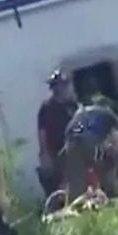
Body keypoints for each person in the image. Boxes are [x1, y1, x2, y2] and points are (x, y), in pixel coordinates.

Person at [63, 100, 118, 204]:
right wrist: (114, 159)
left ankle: (73, 206)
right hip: (90, 141)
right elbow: (115, 141)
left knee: (76, 181)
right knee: (107, 168)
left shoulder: (82, 111)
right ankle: (113, 197)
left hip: (70, 142)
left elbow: (69, 130)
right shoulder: (109, 115)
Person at [36, 70, 77, 198]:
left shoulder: (73, 105)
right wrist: (44, 153)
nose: (62, 89)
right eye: (58, 85)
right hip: (56, 151)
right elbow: (42, 132)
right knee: (60, 182)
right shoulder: (47, 107)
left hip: (75, 149)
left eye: (65, 85)